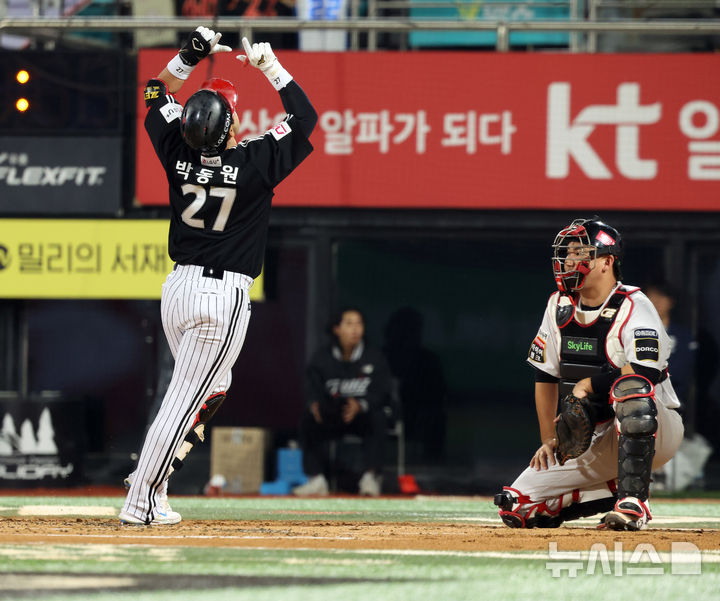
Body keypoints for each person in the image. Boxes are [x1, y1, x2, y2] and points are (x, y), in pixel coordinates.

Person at [119, 26, 316, 525]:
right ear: (230, 127)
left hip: (179, 289)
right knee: (183, 400)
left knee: (211, 386)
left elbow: (153, 91)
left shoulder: (177, 151)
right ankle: (141, 497)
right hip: (219, 296)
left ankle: (153, 475)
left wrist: (188, 55)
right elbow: (305, 117)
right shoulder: (251, 162)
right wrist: (270, 66)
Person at [494, 218, 684, 531]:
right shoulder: (558, 305)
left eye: (581, 253)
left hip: (656, 426)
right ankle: (613, 490)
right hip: (594, 436)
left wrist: (588, 384)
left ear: (607, 262)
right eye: (567, 253)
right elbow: (545, 376)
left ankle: (634, 501)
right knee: (516, 506)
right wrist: (548, 439)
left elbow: (645, 369)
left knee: (631, 386)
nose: (569, 260)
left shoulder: (634, 304)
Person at [293, 308, 392, 497]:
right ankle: (316, 479)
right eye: (349, 324)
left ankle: (370, 478)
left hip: (362, 417)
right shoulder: (322, 358)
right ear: (337, 329)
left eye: (359, 323)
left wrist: (361, 405)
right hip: (333, 416)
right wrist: (315, 404)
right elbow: (312, 387)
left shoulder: (374, 357)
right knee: (308, 420)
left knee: (379, 417)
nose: (355, 329)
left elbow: (382, 391)